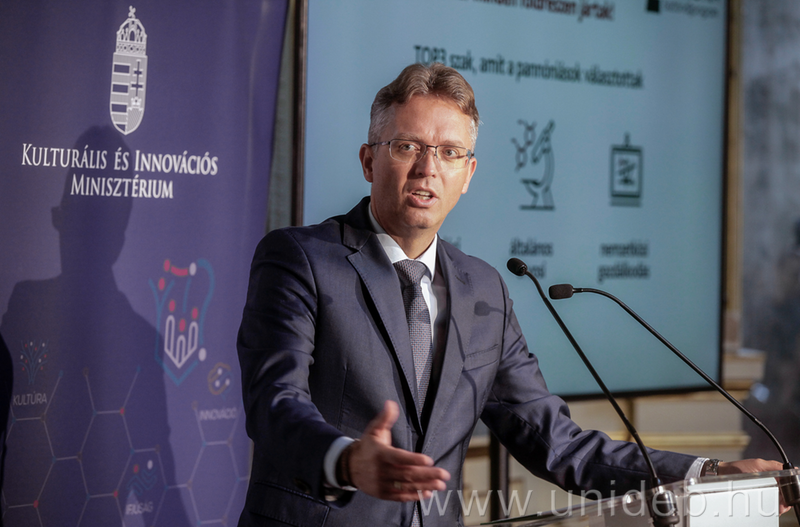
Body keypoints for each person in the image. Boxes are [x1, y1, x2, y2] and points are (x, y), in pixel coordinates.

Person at [236, 63, 782, 527]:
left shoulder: (484, 291)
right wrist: (347, 460)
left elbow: (556, 443)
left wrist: (707, 474)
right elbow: (273, 403)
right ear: (368, 160)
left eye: (450, 152)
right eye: (407, 146)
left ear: (468, 173)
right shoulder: (301, 259)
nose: (428, 168)